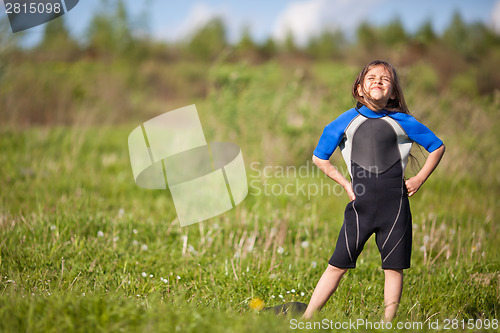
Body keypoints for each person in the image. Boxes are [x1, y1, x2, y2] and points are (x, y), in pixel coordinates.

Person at [302, 60, 445, 321]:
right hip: (361, 207)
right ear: (359, 89)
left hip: (396, 207)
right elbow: (319, 157)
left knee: (394, 268)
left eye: (385, 79)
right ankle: (307, 319)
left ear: (393, 93)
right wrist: (345, 183)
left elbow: (437, 146)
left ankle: (387, 323)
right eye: (371, 78)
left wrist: (420, 178)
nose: (378, 81)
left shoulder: (404, 122)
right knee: (337, 265)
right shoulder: (346, 121)